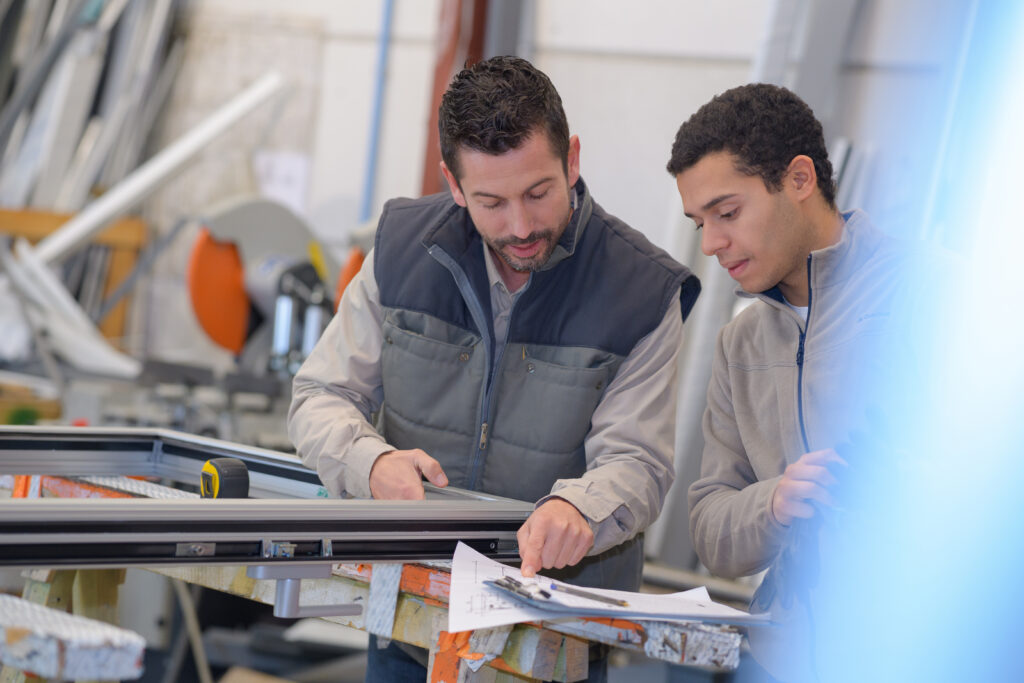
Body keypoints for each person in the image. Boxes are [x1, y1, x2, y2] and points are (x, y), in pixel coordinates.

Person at [289, 56, 700, 681]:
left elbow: (638, 462)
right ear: (455, 187)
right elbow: (320, 394)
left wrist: (580, 510)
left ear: (573, 160)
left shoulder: (641, 291)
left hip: (554, 642)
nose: (521, 225)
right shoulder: (402, 251)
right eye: (491, 201)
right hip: (408, 620)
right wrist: (368, 462)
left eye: (538, 192)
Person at [668, 83, 921, 679]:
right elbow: (710, 527)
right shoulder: (741, 343)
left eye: (727, 213)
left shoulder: (935, 298)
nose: (711, 244)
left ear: (800, 179)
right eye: (699, 221)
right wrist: (774, 503)